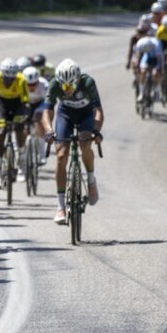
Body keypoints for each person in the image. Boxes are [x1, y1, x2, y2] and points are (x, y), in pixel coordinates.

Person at [44, 59, 104, 224]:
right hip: (65, 115)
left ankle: (90, 180)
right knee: (61, 155)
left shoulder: (88, 82)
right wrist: (49, 130)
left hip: (86, 115)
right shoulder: (55, 84)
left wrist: (96, 131)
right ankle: (60, 206)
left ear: (78, 80)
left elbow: (98, 111)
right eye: (64, 86)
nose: (67, 89)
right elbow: (47, 111)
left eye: (71, 85)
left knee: (85, 144)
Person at [0, 58, 29, 184]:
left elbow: (25, 101)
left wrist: (24, 117)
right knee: (1, 132)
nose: (8, 81)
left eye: (11, 79)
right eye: (6, 78)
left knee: (18, 129)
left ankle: (21, 165)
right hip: (1, 103)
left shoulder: (21, 79)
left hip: (17, 104)